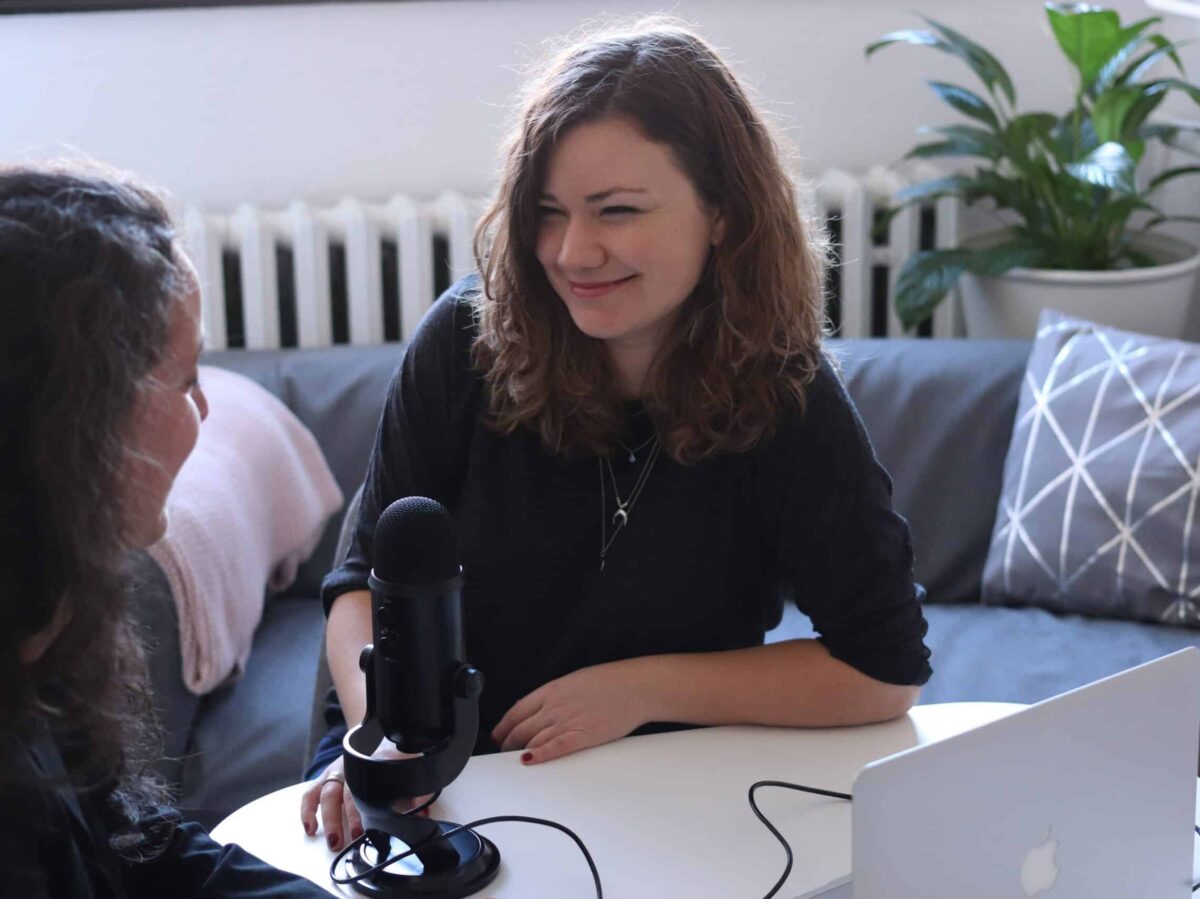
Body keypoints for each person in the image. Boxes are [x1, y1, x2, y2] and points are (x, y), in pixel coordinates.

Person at [301, 18, 933, 851]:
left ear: (724, 215)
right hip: (427, 772)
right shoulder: (463, 342)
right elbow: (357, 587)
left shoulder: (789, 398)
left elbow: (881, 670)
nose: (572, 251)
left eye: (619, 211)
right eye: (549, 212)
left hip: (650, 792)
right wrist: (384, 740)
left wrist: (638, 690)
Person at [0, 163, 330, 897]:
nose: (205, 414)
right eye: (185, 381)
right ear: (81, 421)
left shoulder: (48, 627)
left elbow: (139, 845)